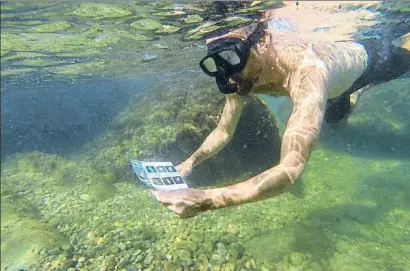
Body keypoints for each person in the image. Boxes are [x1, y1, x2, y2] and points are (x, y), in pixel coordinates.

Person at [153, 6, 410, 218]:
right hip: (335, 89)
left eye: (231, 57)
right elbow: (223, 131)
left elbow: (291, 170)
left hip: (371, 61)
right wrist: (188, 164)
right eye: (215, 62)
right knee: (335, 117)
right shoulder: (238, 73)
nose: (229, 72)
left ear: (262, 40)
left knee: (406, 55)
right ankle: (352, 93)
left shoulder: (307, 70)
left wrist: (207, 200)